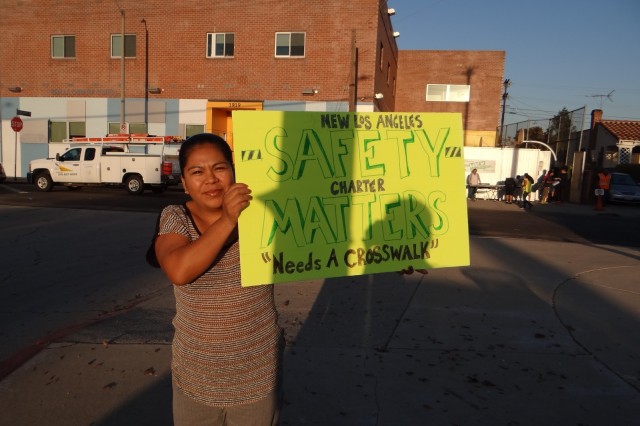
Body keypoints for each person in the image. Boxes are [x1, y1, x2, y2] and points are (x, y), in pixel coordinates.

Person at [148, 133, 283, 426]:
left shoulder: (262, 214)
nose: (210, 179)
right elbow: (179, 270)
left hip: (257, 374)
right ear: (184, 183)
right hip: (196, 379)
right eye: (197, 172)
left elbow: (322, 245)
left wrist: (387, 253)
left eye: (219, 168)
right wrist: (228, 220)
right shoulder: (175, 217)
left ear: (234, 171)